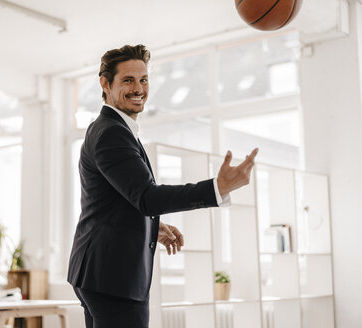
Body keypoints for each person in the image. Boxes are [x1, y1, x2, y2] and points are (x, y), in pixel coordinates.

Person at [67, 44, 258, 328]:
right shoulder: (111, 133)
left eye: (143, 79)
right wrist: (216, 188)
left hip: (99, 273)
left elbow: (116, 200)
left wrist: (151, 226)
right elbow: (146, 197)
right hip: (112, 278)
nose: (139, 88)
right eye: (128, 80)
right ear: (105, 84)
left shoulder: (110, 129)